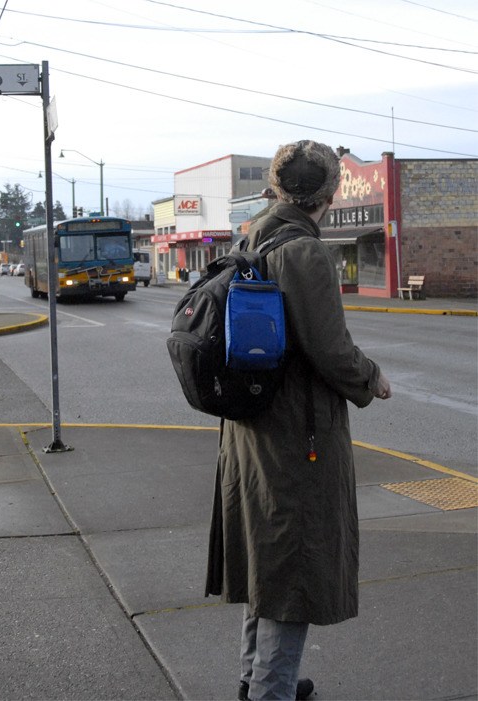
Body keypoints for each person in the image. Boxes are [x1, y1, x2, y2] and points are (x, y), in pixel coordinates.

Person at [204, 140, 392, 701]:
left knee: (269, 554)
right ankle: (272, 690)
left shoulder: (255, 232)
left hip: (253, 423)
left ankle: (255, 677)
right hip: (296, 432)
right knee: (295, 559)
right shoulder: (304, 252)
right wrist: (371, 378)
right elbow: (331, 350)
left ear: (278, 189)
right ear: (330, 195)